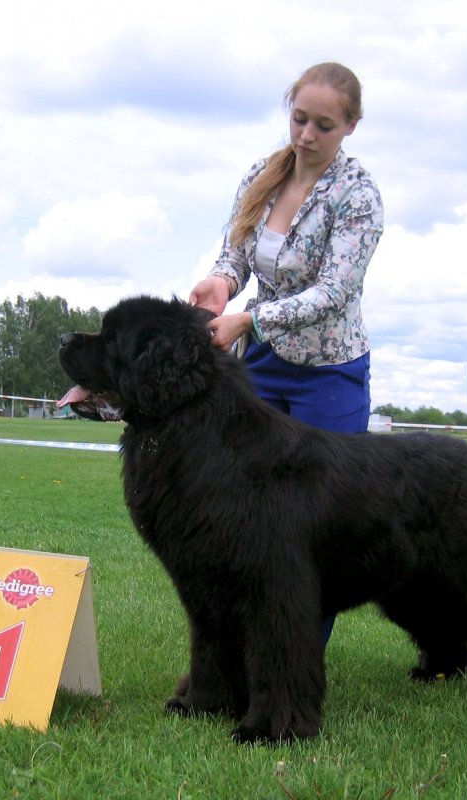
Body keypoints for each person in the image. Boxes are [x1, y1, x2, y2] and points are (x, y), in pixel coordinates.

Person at [190, 62, 384, 642]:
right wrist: (222, 283)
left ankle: (297, 657)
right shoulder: (262, 174)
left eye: (323, 125)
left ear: (351, 126)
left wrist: (249, 315)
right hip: (262, 371)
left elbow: (333, 292)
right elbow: (236, 254)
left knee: (321, 525)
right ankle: (239, 647)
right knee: (245, 510)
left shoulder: (359, 196)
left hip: (330, 373)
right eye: (299, 119)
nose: (305, 135)